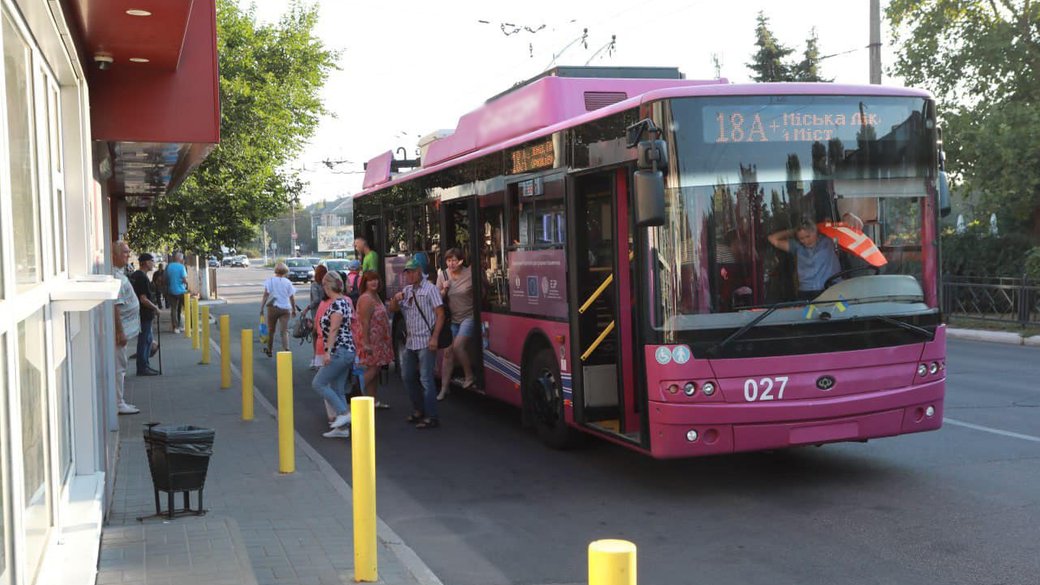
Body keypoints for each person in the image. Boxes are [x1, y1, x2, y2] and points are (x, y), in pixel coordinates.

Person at [389, 256, 445, 429]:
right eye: (407, 273)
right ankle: (419, 409)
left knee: (426, 379)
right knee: (407, 376)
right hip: (411, 341)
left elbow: (440, 315)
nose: (409, 275)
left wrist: (435, 337)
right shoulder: (406, 291)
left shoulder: (430, 289)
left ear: (420, 272)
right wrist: (396, 299)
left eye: (412, 272)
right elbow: (393, 309)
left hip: (426, 341)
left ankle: (432, 416)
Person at [768, 212, 862, 299]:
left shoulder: (829, 240)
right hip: (807, 292)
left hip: (831, 289)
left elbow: (855, 227)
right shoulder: (797, 246)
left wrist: (849, 216)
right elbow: (772, 239)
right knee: (806, 312)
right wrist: (793, 231)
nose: (805, 241)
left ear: (815, 231)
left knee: (840, 310)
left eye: (808, 236)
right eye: (801, 238)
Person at [311, 271, 357, 438]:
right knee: (338, 388)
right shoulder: (343, 301)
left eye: (324, 284)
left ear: (327, 286)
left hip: (339, 351)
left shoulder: (337, 304)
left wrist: (328, 352)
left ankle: (344, 413)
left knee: (318, 383)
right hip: (346, 351)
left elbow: (334, 329)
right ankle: (343, 428)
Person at [436, 248, 476, 400]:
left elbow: (482, 291)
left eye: (454, 260)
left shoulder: (470, 273)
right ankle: (444, 388)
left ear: (461, 261)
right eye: (448, 260)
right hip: (453, 319)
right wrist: (444, 290)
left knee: (458, 346)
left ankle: (469, 376)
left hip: (469, 316)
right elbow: (436, 298)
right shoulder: (443, 275)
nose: (451, 264)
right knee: (447, 353)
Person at [353, 270, 394, 409]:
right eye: (370, 280)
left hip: (379, 340)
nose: (374, 282)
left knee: (375, 370)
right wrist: (365, 343)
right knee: (373, 370)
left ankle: (373, 401)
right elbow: (365, 322)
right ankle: (352, 396)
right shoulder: (366, 298)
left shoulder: (375, 296)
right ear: (365, 283)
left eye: (376, 279)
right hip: (371, 340)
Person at [111, 241, 141, 414]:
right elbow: (115, 305)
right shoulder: (114, 277)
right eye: (124, 252)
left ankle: (119, 401)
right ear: (114, 255)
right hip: (119, 333)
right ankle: (118, 402)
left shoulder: (119, 273)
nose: (128, 255)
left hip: (124, 331)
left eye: (129, 252)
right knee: (119, 367)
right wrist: (120, 332)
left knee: (121, 365)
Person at [129, 253, 161, 376]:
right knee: (144, 340)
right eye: (152, 261)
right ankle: (142, 367)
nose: (153, 263)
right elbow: (143, 299)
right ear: (146, 262)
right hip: (144, 314)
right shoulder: (141, 277)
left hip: (141, 313)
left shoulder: (136, 275)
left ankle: (145, 365)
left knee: (147, 340)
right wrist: (155, 308)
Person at [259, 262, 297, 356]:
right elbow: (292, 297)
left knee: (271, 330)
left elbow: (265, 295)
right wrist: (294, 309)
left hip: (273, 308)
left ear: (275, 270)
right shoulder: (288, 282)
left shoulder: (270, 281)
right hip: (285, 309)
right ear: (285, 271)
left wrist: (262, 307)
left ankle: (269, 350)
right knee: (284, 331)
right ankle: (286, 349)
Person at [307, 264, 329, 369]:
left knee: (315, 335)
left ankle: (316, 359)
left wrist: (307, 308)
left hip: (317, 313)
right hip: (328, 312)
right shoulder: (327, 284)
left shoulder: (314, 285)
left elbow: (316, 300)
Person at [165, 252, 188, 332]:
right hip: (181, 291)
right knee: (187, 308)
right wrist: (186, 284)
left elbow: (166, 278)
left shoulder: (169, 266)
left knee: (174, 309)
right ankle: (189, 326)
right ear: (181, 259)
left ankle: (175, 327)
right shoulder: (181, 267)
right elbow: (184, 280)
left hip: (171, 291)